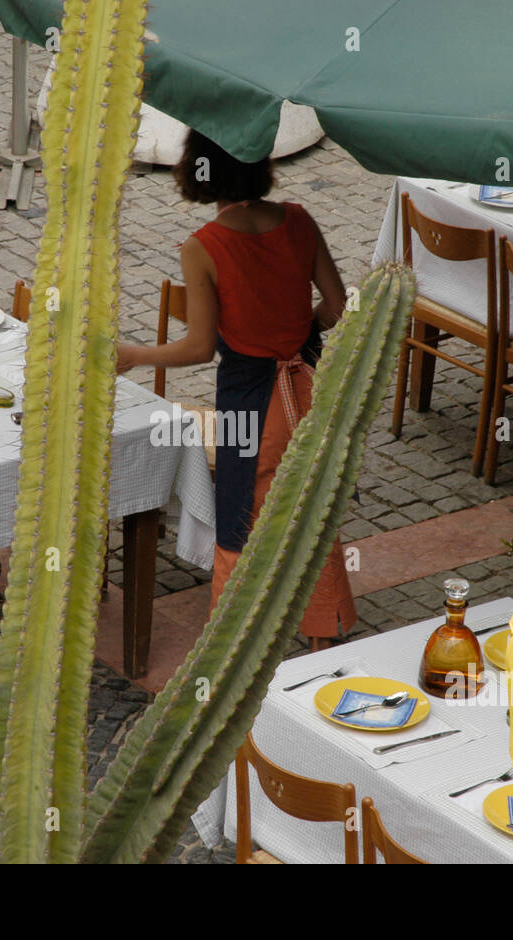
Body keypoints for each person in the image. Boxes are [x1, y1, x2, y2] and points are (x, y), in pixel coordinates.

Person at [116, 130, 357, 647]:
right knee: (312, 510)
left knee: (241, 521)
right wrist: (298, 337)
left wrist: (133, 354)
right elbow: (337, 307)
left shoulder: (204, 247)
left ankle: (235, 643)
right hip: (308, 394)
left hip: (248, 407)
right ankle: (323, 632)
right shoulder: (299, 220)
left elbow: (199, 349)